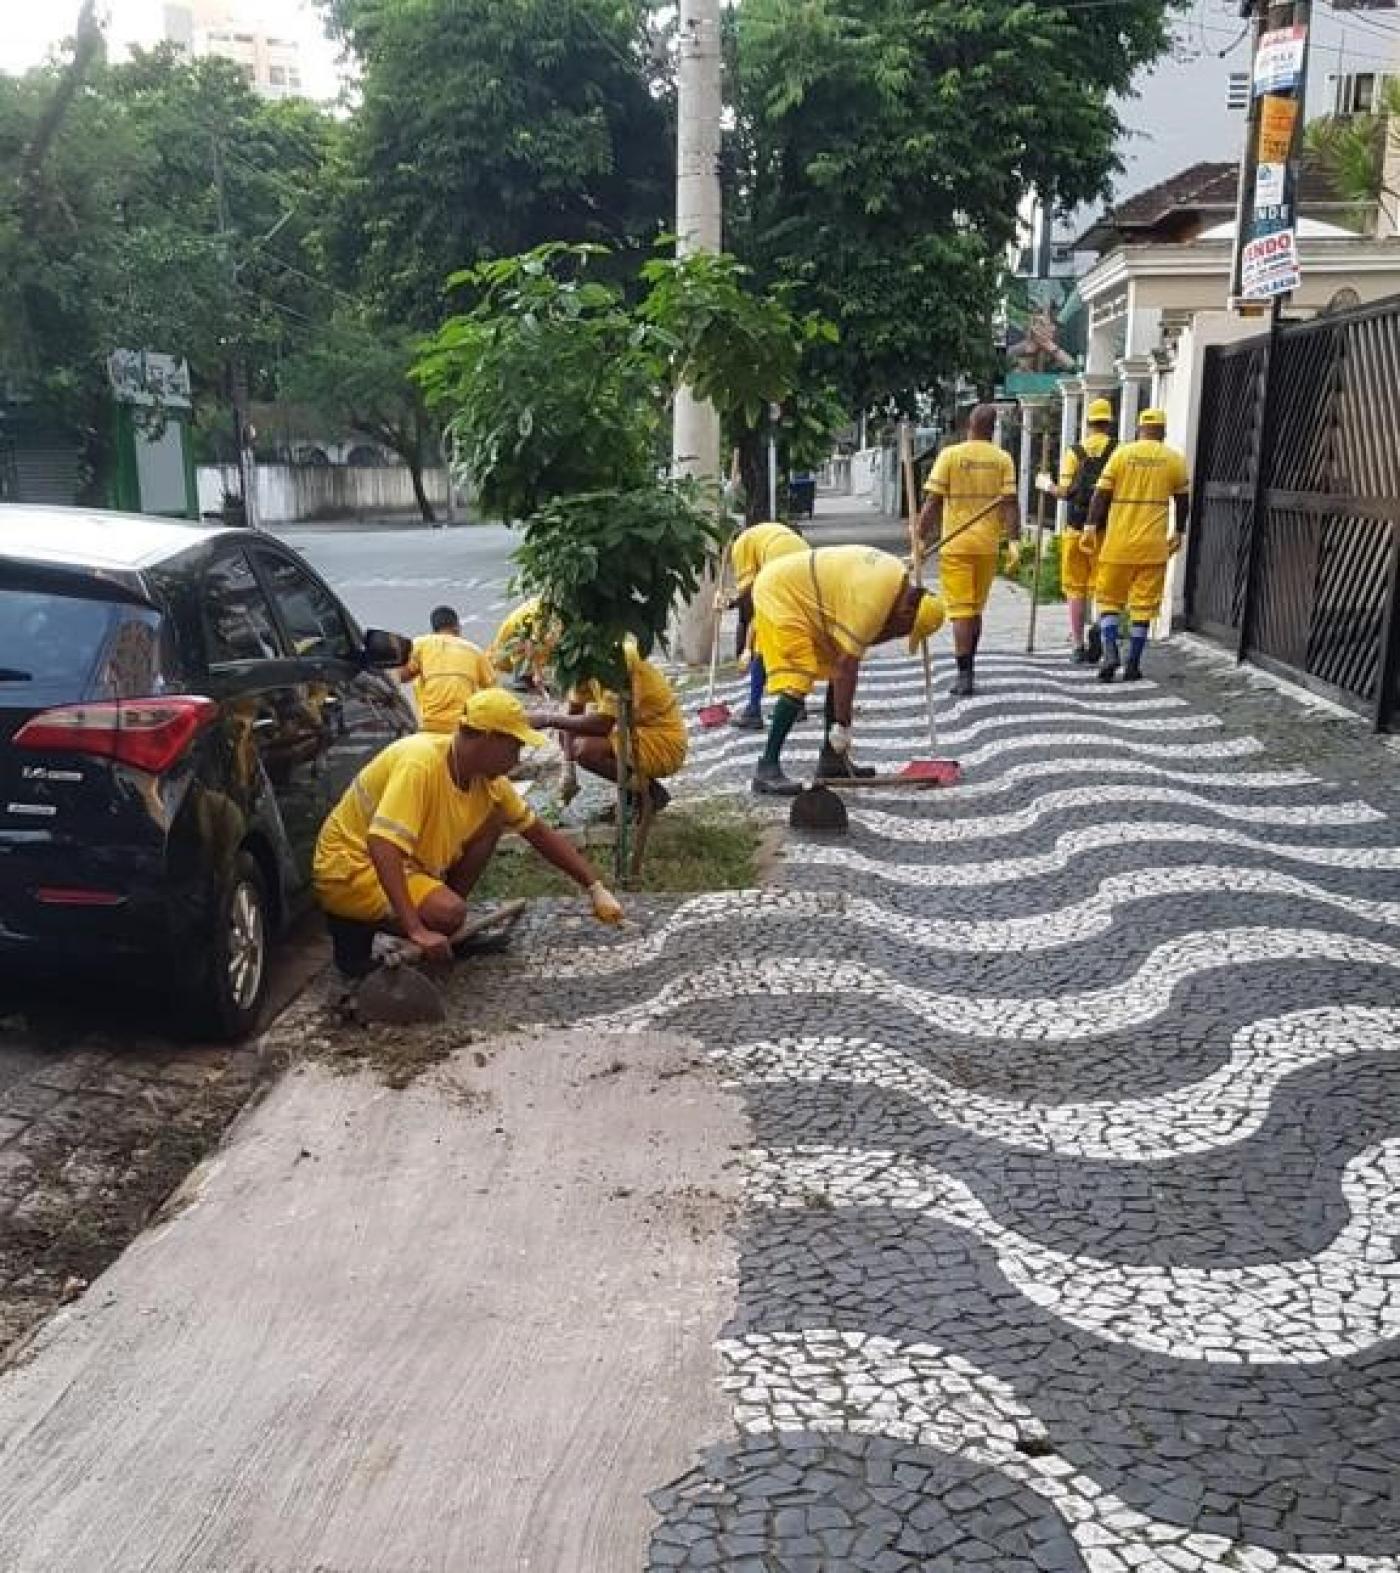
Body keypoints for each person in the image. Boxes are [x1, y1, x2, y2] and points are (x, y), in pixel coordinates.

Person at [314, 688, 623, 979]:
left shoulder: (488, 781)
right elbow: (382, 845)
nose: (516, 759)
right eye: (514, 747)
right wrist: (416, 930)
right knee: (448, 913)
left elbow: (538, 833)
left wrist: (594, 887)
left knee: (494, 819)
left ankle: (440, 923)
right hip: (350, 869)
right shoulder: (420, 763)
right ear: (488, 739)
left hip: (407, 867)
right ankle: (359, 925)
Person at [748, 544, 946, 796]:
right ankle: (766, 768)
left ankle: (832, 761)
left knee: (833, 663)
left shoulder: (896, 584)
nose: (897, 634)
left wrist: (841, 731)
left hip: (810, 595)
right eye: (905, 630)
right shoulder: (873, 605)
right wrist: (841, 727)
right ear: (907, 612)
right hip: (780, 591)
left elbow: (847, 659)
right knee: (800, 675)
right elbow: (846, 669)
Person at [917, 404, 1021, 697]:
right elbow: (1010, 503)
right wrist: (1013, 542)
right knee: (974, 610)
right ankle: (970, 665)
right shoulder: (1002, 458)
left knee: (961, 611)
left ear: (968, 425)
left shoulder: (950, 456)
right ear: (993, 428)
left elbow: (932, 501)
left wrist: (920, 538)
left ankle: (964, 675)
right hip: (986, 545)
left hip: (956, 545)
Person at [1082, 408, 1190, 684]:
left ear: (1139, 429)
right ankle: (1132, 664)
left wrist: (1091, 527)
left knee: (1108, 601)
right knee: (1143, 607)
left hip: (1118, 545)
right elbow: (1182, 501)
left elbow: (1101, 494)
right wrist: (1179, 531)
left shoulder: (1121, 454)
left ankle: (1109, 652)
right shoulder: (1174, 459)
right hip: (1153, 548)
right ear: (1163, 432)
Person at [541, 638, 688, 814]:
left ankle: (649, 794)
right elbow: (573, 714)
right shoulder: (578, 664)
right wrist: (568, 771)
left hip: (663, 741)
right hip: (630, 732)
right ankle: (635, 792)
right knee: (567, 734)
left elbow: (603, 724)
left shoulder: (618, 661)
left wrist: (547, 719)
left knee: (585, 750)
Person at [1036, 397, 1117, 664]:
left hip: (1075, 529)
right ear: (1109, 421)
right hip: (1105, 530)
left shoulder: (1075, 452)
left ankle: (1078, 645)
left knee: (1075, 587)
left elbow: (1067, 492)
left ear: (1087, 422)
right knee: (1101, 587)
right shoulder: (1118, 451)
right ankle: (1099, 629)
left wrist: (1047, 485)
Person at [725, 520, 807, 731]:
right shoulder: (769, 533)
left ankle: (753, 710)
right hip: (808, 567)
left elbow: (748, 592)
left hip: (782, 575)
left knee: (763, 640)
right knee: (793, 635)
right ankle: (796, 703)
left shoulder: (741, 544)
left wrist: (728, 602)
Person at [398, 605, 497, 734]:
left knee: (418, 682)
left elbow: (401, 676)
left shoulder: (421, 644)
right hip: (464, 725)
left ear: (433, 630)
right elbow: (492, 691)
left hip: (430, 725)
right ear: (457, 628)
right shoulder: (475, 651)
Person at [489, 596, 555, 693]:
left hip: (521, 632)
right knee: (533, 646)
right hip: (515, 633)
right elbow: (531, 643)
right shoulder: (539, 614)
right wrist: (537, 673)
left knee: (546, 642)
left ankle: (527, 675)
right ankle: (521, 676)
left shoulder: (548, 605)